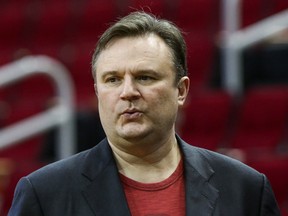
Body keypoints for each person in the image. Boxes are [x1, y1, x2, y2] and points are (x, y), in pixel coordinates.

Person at [8, 11, 280, 216]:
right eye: (112, 80)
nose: (127, 92)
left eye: (145, 77)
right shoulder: (44, 195)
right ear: (97, 92)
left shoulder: (245, 189)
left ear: (181, 90)